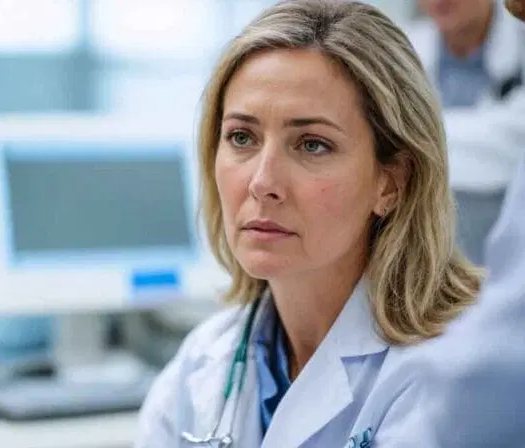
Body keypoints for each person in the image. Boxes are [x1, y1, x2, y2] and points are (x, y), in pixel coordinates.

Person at [133, 1, 482, 446]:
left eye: (312, 144)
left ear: (392, 181)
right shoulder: (201, 366)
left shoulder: (455, 376)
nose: (262, 182)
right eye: (242, 137)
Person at [379, 1, 525, 446]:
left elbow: (510, 144)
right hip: (424, 292)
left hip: (493, 292)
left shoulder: (518, 46)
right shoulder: (405, 51)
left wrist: (403, 140)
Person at [408, 0, 525, 264]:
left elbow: (516, 148)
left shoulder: (519, 44)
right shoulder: (403, 49)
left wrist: (412, 139)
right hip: (430, 258)